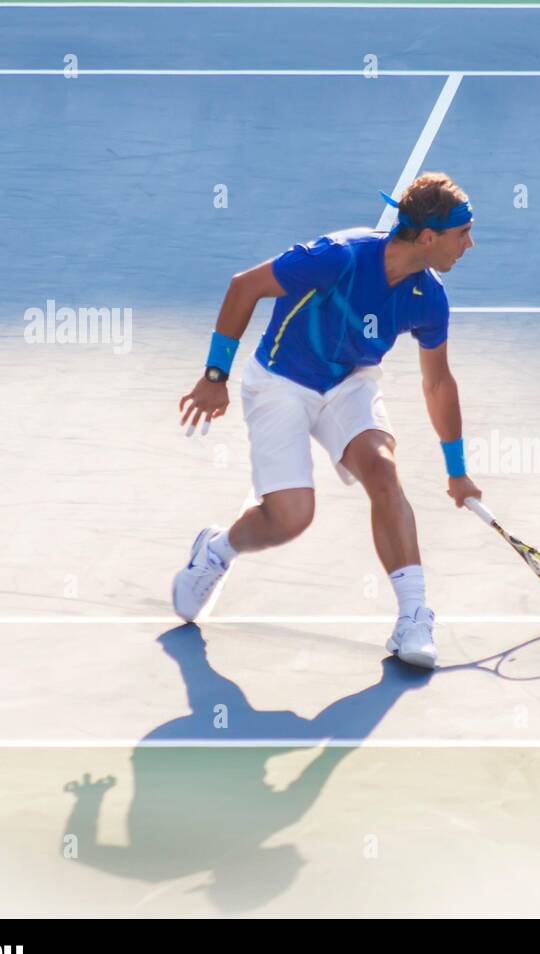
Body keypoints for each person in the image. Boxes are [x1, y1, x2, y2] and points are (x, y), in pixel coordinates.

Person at [172, 172, 481, 669]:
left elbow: (438, 383)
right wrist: (215, 374)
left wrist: (457, 469)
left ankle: (414, 616)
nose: (469, 244)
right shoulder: (338, 256)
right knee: (290, 518)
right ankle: (218, 549)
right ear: (428, 237)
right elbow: (244, 286)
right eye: (462, 233)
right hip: (281, 382)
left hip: (349, 381)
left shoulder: (430, 297)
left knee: (382, 470)